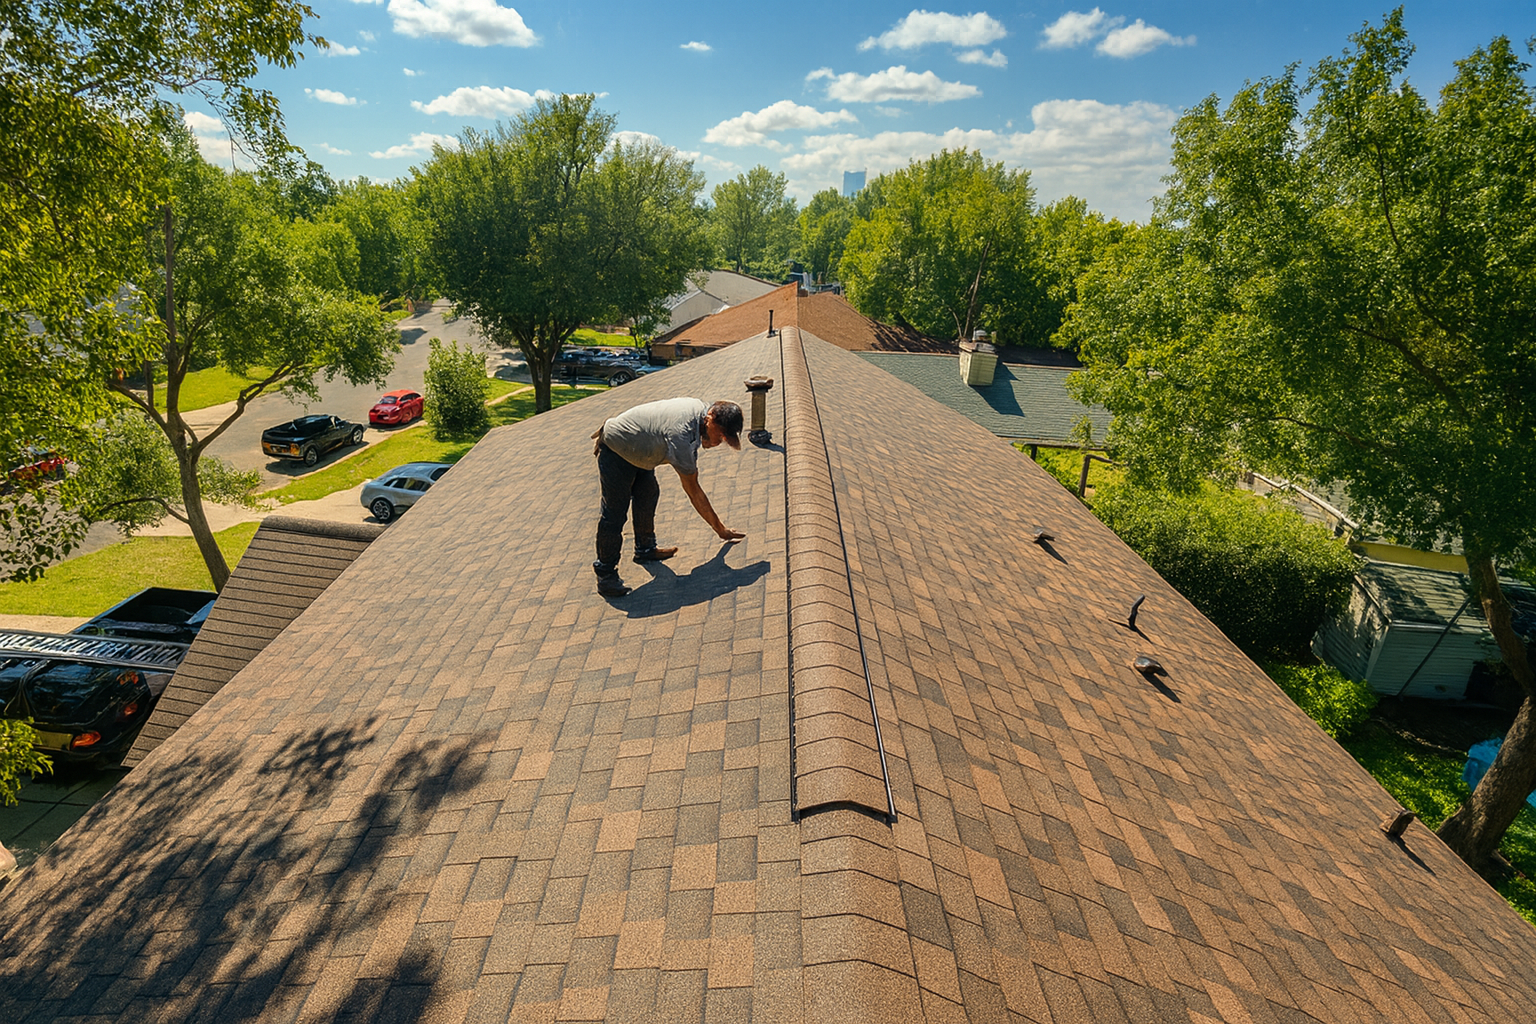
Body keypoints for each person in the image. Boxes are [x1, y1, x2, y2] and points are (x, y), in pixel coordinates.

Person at [591, 397, 746, 597]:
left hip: (638, 451)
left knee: (648, 494)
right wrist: (720, 529)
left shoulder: (699, 414)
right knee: (615, 513)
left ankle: (645, 549)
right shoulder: (681, 435)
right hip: (616, 449)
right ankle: (605, 575)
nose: (720, 442)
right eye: (722, 435)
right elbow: (693, 490)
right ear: (710, 419)